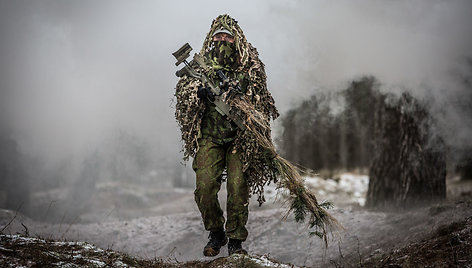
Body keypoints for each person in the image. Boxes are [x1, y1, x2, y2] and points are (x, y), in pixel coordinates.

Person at [174, 14, 279, 257]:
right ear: (212, 38)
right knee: (205, 187)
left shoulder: (247, 65)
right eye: (218, 35)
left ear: (235, 39)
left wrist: (236, 91)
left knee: (237, 187)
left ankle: (235, 241)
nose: (222, 39)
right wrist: (199, 93)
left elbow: (258, 95)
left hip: (238, 137)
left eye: (227, 36)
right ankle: (216, 233)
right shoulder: (202, 64)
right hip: (210, 136)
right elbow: (184, 90)